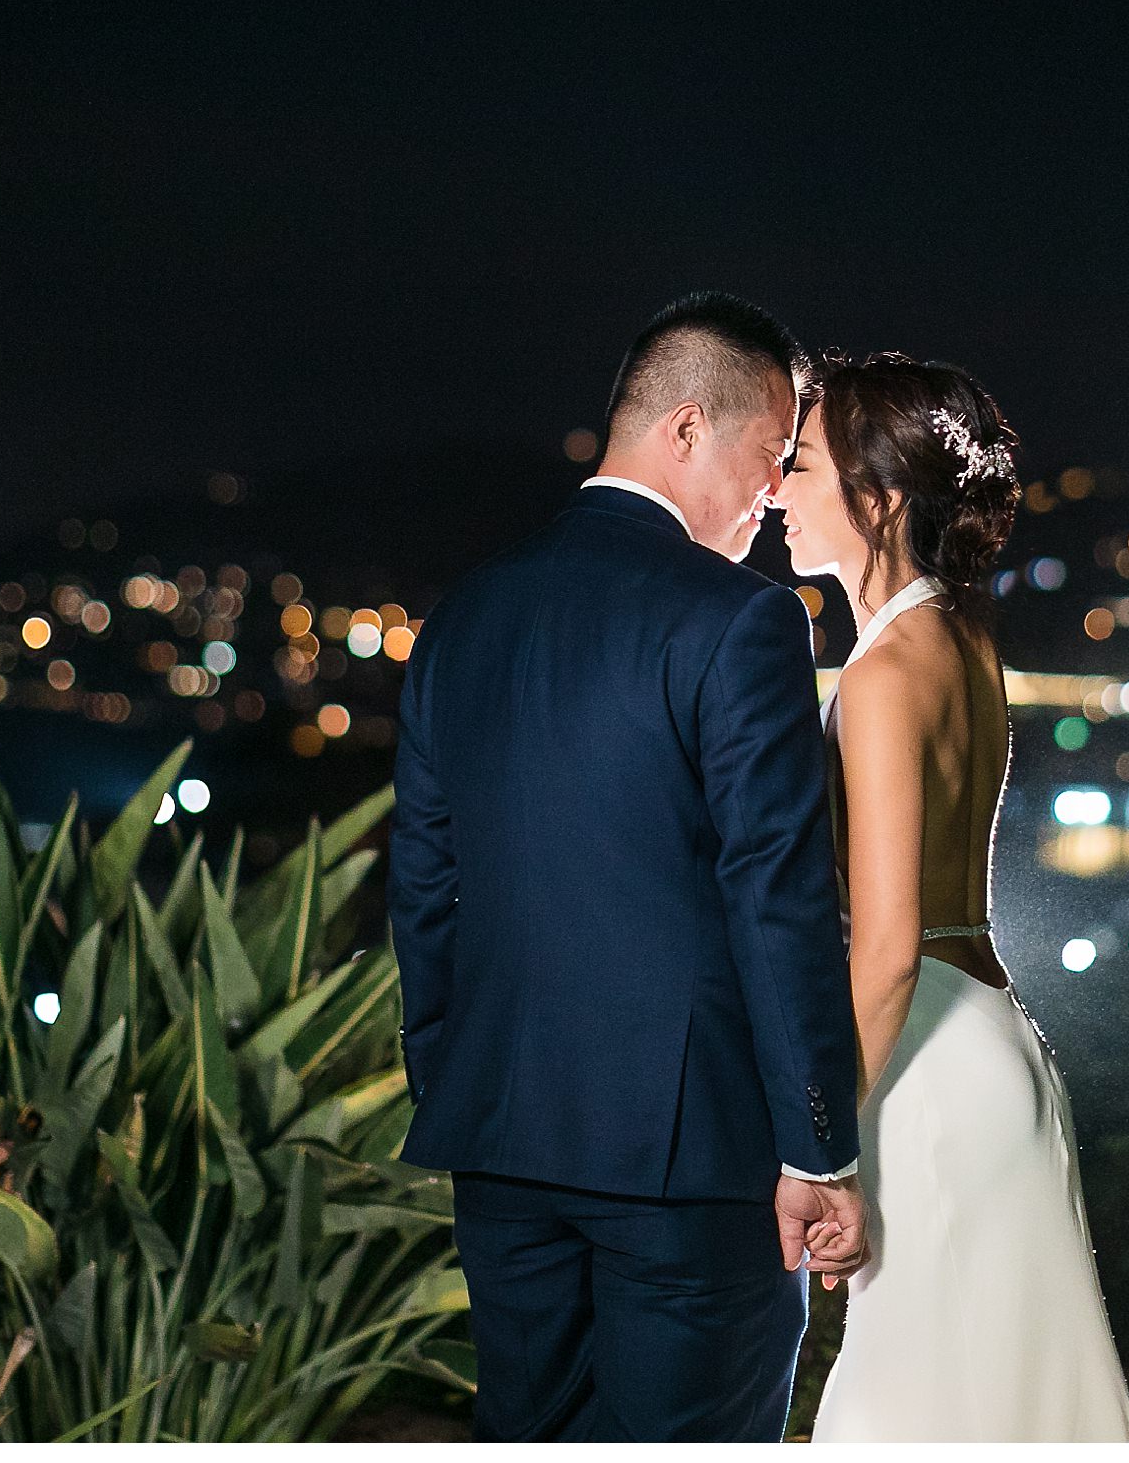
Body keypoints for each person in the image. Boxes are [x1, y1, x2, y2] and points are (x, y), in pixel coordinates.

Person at [387, 292, 868, 1442]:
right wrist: (816, 1145)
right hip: (690, 1163)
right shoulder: (741, 621)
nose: (770, 493)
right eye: (769, 456)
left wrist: (452, 1082)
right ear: (689, 427)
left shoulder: (464, 618)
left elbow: (421, 886)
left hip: (500, 1141)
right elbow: (777, 896)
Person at [773, 351, 1129, 1441]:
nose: (776, 490)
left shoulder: (886, 675)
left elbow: (883, 948)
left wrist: (816, 1146)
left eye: (799, 466)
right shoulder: (960, 638)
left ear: (877, 496)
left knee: (909, 1412)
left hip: (923, 1058)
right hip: (987, 1033)